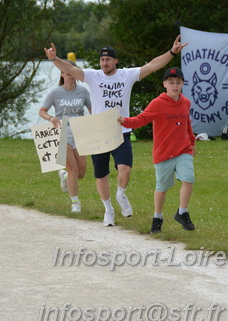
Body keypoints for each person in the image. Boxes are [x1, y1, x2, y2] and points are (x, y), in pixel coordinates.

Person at [44, 36, 188, 227]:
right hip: (98, 133)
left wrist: (171, 52)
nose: (104, 63)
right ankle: (108, 210)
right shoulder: (93, 76)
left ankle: (121, 194)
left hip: (121, 130)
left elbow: (153, 66)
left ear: (115, 61)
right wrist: (55, 59)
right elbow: (70, 69)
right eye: (102, 60)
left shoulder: (126, 75)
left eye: (108, 59)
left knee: (125, 170)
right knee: (100, 175)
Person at [117, 67, 196, 234]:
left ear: (182, 84)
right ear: (164, 84)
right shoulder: (157, 103)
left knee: (188, 179)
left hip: (183, 150)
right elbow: (141, 119)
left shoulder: (186, 103)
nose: (175, 86)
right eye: (171, 82)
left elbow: (187, 124)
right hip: (163, 153)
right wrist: (125, 121)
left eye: (178, 82)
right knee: (162, 188)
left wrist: (192, 142)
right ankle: (157, 218)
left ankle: (182, 213)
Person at [38, 61, 91, 213]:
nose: (71, 76)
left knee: (80, 173)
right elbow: (42, 111)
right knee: (73, 169)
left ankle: (64, 176)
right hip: (63, 134)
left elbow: (93, 110)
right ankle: (75, 203)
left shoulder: (83, 91)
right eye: (67, 73)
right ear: (62, 73)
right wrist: (50, 118)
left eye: (73, 73)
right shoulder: (55, 93)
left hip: (80, 134)